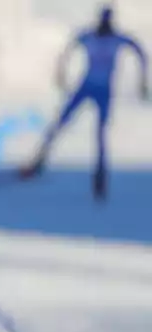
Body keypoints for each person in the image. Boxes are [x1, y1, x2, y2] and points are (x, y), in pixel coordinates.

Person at [20, 5, 147, 199]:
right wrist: (61, 73)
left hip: (101, 90)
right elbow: (69, 49)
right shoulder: (93, 36)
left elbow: (139, 52)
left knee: (99, 134)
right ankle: (39, 161)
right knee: (62, 124)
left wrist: (142, 81)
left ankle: (99, 177)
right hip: (87, 86)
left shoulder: (114, 39)